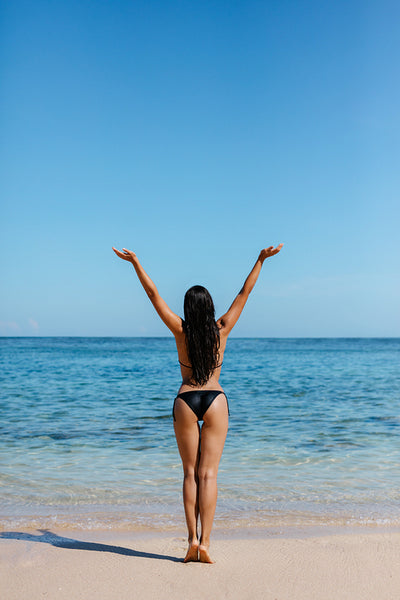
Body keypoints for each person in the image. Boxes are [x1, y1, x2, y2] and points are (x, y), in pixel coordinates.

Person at [112, 243, 283, 563]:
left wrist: (135, 262)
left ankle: (190, 540)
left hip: (186, 399)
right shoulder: (222, 329)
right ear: (210, 307)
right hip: (215, 399)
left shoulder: (180, 329)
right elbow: (244, 294)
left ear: (188, 309)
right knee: (209, 475)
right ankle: (206, 543)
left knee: (189, 473)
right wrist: (260, 260)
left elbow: (153, 295)